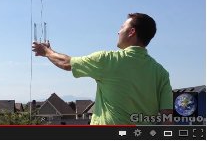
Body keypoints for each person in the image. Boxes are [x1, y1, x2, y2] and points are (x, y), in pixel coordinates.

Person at [32, 13, 173, 125]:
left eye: (122, 27)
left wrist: (46, 52)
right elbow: (167, 118)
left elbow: (67, 63)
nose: (118, 32)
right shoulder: (161, 73)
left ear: (131, 32)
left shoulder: (107, 60)